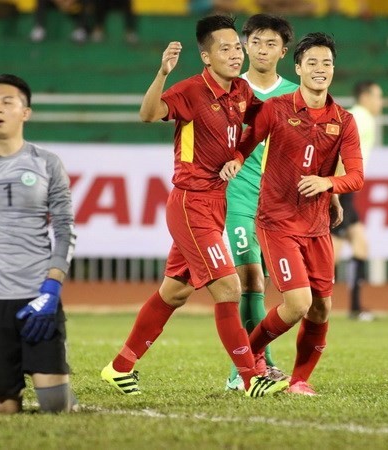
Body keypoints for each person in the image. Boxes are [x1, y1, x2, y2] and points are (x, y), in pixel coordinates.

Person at [100, 15, 288, 398]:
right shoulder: (190, 91)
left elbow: (259, 124)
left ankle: (119, 368)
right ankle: (251, 377)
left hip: (214, 203)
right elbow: (148, 114)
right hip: (190, 204)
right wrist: (162, 73)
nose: (236, 55)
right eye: (226, 49)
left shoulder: (240, 91)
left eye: (238, 47)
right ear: (206, 56)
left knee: (174, 293)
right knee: (229, 287)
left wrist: (238, 154)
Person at [221, 32, 364, 396]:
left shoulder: (344, 120)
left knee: (321, 309)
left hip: (316, 227)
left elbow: (357, 175)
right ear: (297, 67)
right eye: (312, 63)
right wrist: (235, 160)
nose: (320, 69)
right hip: (277, 221)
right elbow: (247, 141)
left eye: (327, 63)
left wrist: (328, 184)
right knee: (297, 303)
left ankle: (299, 381)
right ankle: (247, 363)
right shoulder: (278, 108)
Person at [0, 74, 78, 414]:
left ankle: (62, 388)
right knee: (3, 408)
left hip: (38, 294)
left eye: (8, 102)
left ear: (26, 113)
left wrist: (52, 288)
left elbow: (65, 229)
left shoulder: (47, 164)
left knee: (55, 407)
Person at [223, 14, 298, 392]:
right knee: (249, 279)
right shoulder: (230, 90)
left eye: (271, 43)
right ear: (245, 45)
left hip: (282, 204)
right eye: (256, 42)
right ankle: (249, 367)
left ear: (283, 52)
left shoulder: (296, 95)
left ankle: (254, 361)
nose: (263, 49)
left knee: (286, 290)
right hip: (238, 198)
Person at [330, 80, 383, 321]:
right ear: (365, 96)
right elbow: (342, 151)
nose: (380, 102)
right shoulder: (360, 118)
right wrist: (337, 191)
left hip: (346, 189)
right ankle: (314, 303)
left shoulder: (359, 117)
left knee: (360, 245)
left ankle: (354, 307)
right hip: (343, 188)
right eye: (377, 97)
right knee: (333, 251)